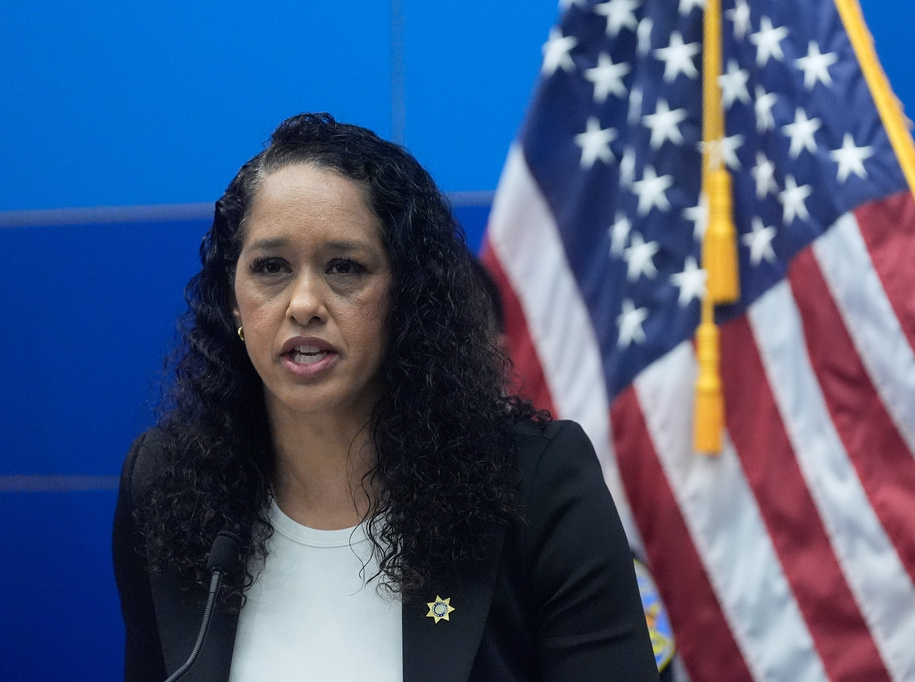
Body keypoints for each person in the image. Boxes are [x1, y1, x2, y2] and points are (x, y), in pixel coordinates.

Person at [112, 113, 659, 681]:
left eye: (344, 267)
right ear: (233, 299)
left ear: (405, 296)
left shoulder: (536, 484)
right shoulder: (165, 484)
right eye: (271, 267)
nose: (304, 304)